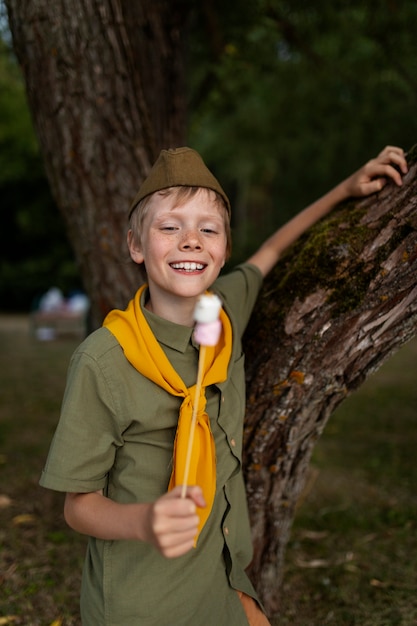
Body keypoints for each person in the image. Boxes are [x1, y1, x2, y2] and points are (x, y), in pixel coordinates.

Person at [39, 145, 407, 625]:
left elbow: (272, 251)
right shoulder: (103, 361)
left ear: (223, 250)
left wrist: (345, 188)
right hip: (142, 602)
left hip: (220, 579)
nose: (191, 240)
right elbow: (77, 506)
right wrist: (146, 521)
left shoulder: (224, 313)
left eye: (207, 229)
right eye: (170, 227)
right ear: (135, 245)